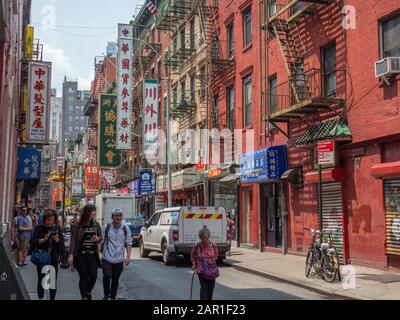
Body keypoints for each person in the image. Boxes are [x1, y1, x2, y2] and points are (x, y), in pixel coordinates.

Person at [68, 204, 102, 300]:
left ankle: (88, 292)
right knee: (83, 276)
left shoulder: (96, 224)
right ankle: (84, 297)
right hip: (80, 255)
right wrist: (71, 255)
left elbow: (101, 237)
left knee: (93, 276)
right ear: (87, 212)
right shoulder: (77, 225)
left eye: (94, 211)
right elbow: (73, 241)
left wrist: (97, 238)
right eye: (92, 211)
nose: (94, 213)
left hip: (92, 255)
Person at [29, 209, 65, 300]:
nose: (50, 222)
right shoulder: (39, 228)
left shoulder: (56, 228)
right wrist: (43, 240)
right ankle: (41, 298)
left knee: (52, 281)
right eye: (48, 220)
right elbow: (33, 242)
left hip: (53, 258)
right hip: (42, 258)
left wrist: (56, 240)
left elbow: (62, 244)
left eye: (52, 220)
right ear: (44, 219)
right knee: (41, 279)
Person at [101, 208, 132, 300]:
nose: (118, 217)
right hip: (107, 257)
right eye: (116, 215)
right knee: (106, 275)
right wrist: (98, 254)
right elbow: (101, 241)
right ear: (112, 217)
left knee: (115, 278)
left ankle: (113, 296)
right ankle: (106, 294)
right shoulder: (106, 227)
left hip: (119, 258)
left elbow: (128, 243)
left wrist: (128, 257)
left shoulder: (126, 229)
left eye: (120, 215)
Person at [191, 227, 219, 300]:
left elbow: (216, 254)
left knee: (211, 289)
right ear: (200, 238)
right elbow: (193, 256)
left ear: (209, 237)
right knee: (204, 288)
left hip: (212, 271)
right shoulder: (197, 246)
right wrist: (194, 265)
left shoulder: (213, 245)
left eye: (206, 238)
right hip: (202, 270)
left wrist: (212, 261)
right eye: (203, 238)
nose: (205, 240)